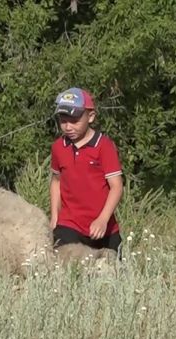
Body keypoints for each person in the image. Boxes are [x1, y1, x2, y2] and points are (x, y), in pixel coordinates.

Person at [49, 87, 124, 254]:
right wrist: (55, 216)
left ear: (90, 116)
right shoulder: (58, 147)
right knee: (66, 271)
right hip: (69, 224)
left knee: (115, 273)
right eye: (63, 120)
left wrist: (103, 219)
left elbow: (116, 187)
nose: (68, 127)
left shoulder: (104, 146)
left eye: (74, 120)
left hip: (103, 227)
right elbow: (56, 181)